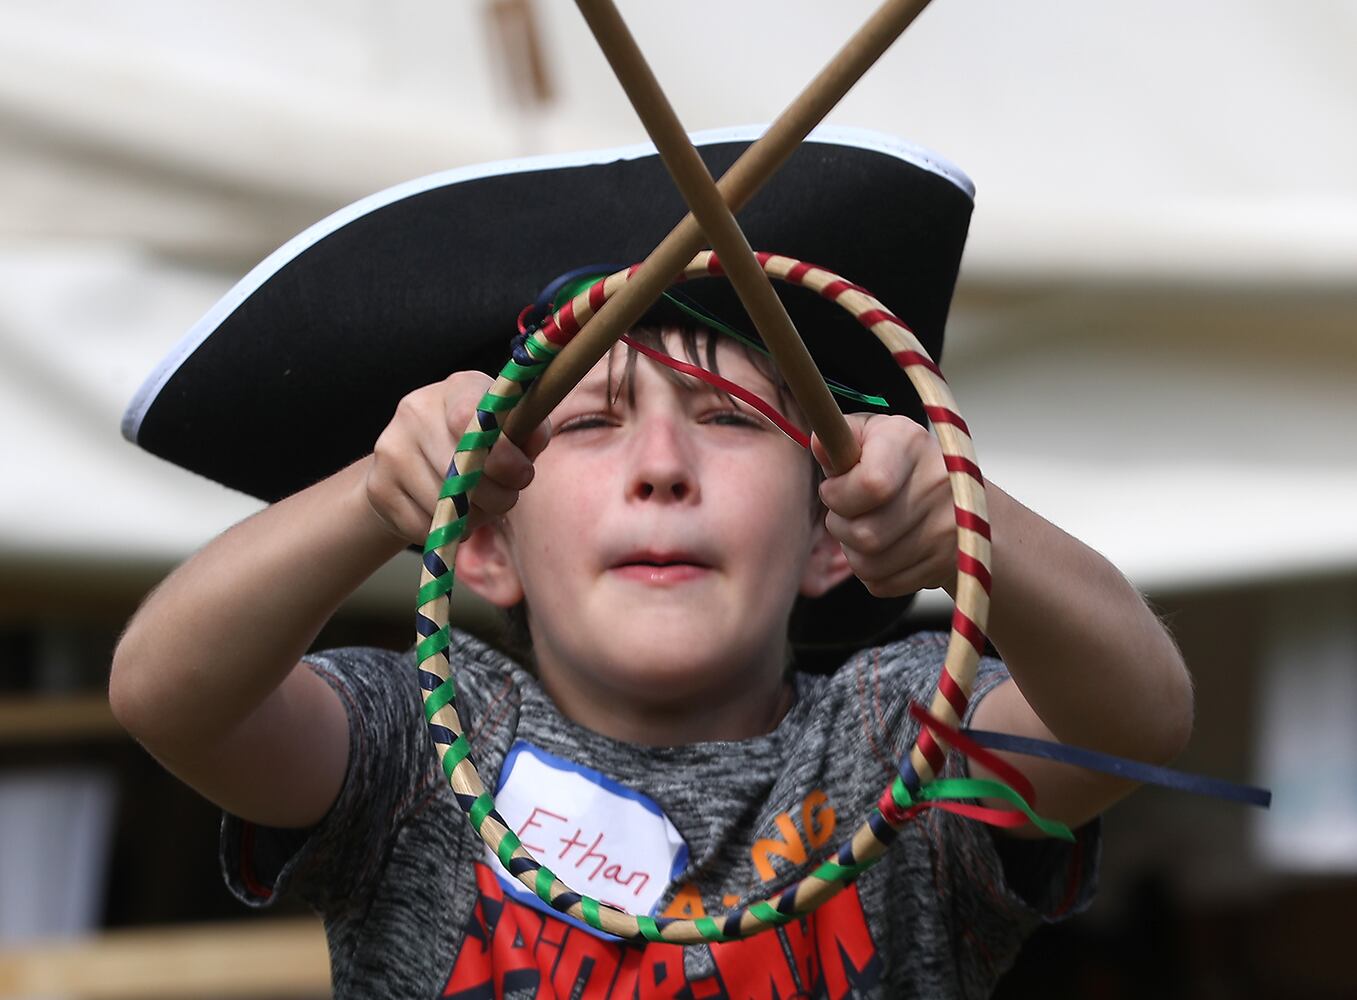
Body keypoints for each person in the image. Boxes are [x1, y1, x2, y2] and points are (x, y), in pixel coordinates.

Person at [111, 130, 1193, 998]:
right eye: (591, 424)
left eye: (729, 417)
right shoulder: (417, 752)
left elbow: (1135, 724)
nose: (664, 466)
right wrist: (371, 496)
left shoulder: (898, 734)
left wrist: (971, 518)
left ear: (830, 534)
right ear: (479, 541)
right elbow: (169, 696)